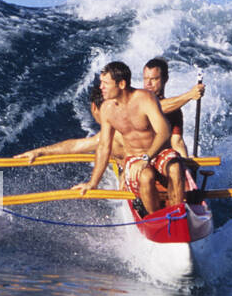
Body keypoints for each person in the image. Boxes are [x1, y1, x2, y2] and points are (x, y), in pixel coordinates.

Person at [13, 60, 202, 166]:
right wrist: (39, 152)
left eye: (154, 79)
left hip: (156, 165)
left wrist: (188, 167)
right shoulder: (127, 117)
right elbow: (76, 146)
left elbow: (177, 141)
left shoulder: (160, 108)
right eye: (146, 79)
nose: (149, 84)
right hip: (137, 173)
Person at [75, 61, 185, 213]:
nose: (101, 87)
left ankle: (178, 214)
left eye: (105, 83)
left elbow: (164, 132)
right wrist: (93, 183)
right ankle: (155, 219)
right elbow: (103, 147)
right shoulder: (107, 109)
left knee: (176, 166)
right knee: (145, 176)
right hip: (134, 156)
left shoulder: (146, 98)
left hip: (158, 152)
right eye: (101, 83)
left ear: (121, 84)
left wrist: (146, 159)